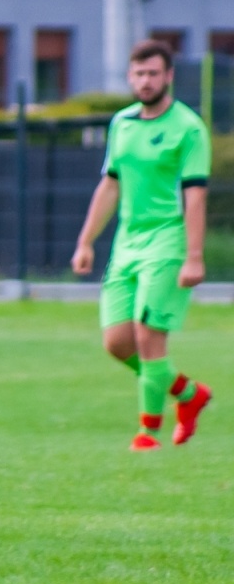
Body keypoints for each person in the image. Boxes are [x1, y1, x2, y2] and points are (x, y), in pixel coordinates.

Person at [72, 39, 213, 450]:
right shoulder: (123, 123)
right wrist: (86, 242)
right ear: (130, 77)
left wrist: (194, 257)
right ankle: (189, 395)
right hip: (127, 244)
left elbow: (196, 195)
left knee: (149, 336)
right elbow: (110, 185)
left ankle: (147, 434)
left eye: (153, 73)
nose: (145, 81)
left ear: (168, 76)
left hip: (168, 242)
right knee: (117, 342)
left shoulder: (188, 128)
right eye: (138, 74)